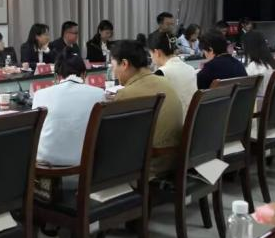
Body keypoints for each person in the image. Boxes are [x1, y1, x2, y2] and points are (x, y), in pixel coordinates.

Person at [112, 39, 183, 175]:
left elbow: (116, 139)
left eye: (113, 65)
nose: (113, 72)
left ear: (124, 64)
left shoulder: (125, 94)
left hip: (150, 166)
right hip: (176, 159)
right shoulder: (165, 82)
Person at [32, 49, 105, 166]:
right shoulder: (99, 93)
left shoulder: (39, 94)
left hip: (45, 161)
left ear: (56, 76)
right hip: (84, 161)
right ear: (84, 74)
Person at [148, 33, 197, 119]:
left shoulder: (162, 73)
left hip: (174, 124)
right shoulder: (190, 69)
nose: (151, 58)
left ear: (157, 52)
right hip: (191, 122)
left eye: (151, 54)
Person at [243, 31, 275, 96]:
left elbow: (245, 90)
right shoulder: (272, 63)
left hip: (257, 100)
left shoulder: (253, 67)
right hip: (269, 100)